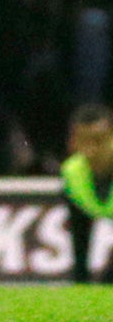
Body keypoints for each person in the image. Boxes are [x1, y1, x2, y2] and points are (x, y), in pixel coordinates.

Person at [62, 103, 113, 284]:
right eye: (83, 141)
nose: (91, 150)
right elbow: (80, 234)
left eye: (99, 140)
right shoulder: (72, 172)